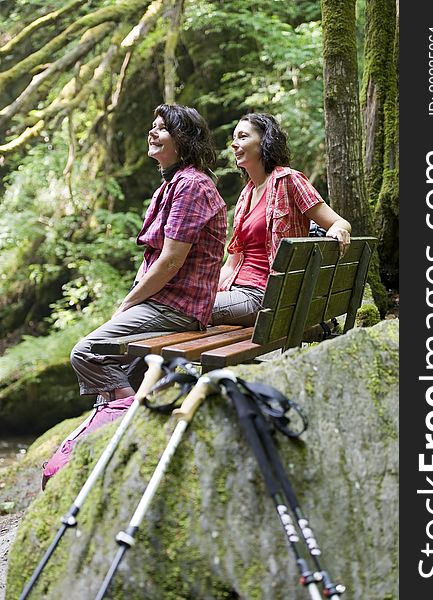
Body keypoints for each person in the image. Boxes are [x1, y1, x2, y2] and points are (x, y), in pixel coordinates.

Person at [42, 104, 227, 486]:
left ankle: (129, 426)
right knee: (122, 364)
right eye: (153, 125)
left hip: (177, 307)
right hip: (167, 302)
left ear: (184, 140)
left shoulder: (192, 185)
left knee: (87, 352)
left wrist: (129, 302)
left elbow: (171, 261)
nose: (153, 132)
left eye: (163, 129)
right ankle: (122, 428)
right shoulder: (173, 184)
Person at [211, 113, 351, 328]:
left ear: (264, 141)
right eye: (234, 137)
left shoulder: (289, 180)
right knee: (184, 306)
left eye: (243, 136)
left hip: (264, 296)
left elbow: (339, 222)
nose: (234, 143)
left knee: (187, 311)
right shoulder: (245, 195)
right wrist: (201, 290)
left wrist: (339, 230)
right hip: (235, 291)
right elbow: (231, 265)